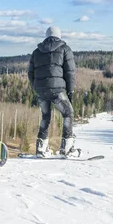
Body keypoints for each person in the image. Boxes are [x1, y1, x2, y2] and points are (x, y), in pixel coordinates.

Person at [28, 26, 77, 157]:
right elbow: (70, 72)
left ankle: (41, 148)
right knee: (68, 114)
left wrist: (36, 86)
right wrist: (70, 91)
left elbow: (30, 72)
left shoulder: (36, 52)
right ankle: (67, 148)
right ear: (59, 35)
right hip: (57, 89)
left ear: (46, 36)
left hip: (41, 90)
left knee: (45, 116)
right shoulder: (65, 49)